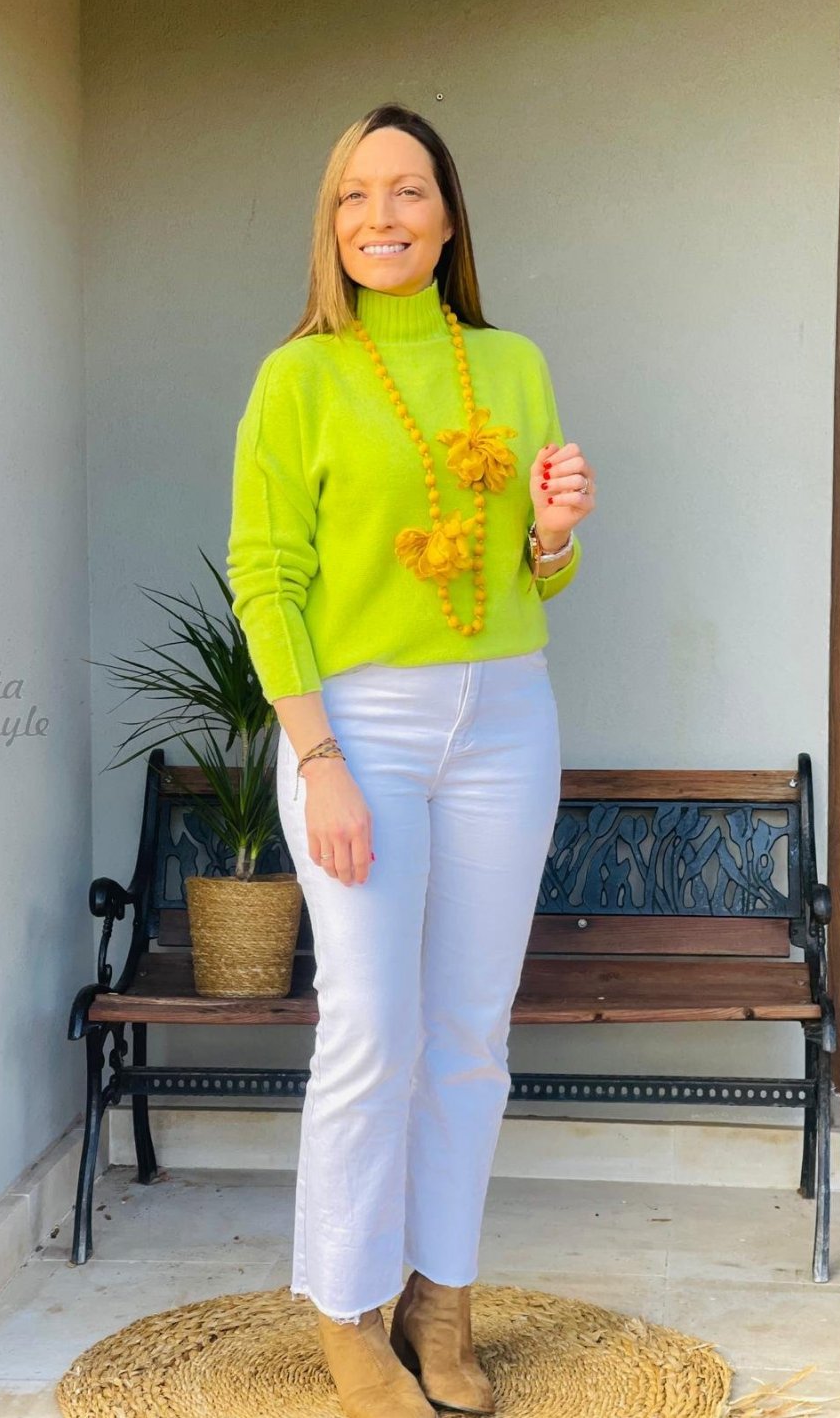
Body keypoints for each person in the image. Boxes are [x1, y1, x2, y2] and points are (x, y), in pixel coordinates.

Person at [226, 102, 597, 1418]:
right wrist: (318, 758)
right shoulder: (298, 379)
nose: (380, 216)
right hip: (360, 727)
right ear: (331, 225)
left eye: (408, 191)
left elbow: (534, 579)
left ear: (447, 219)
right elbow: (266, 578)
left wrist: (553, 531)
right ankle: (345, 1312)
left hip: (506, 715)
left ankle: (442, 1298)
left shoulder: (514, 363)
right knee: (372, 1028)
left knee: (470, 1033)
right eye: (355, 194)